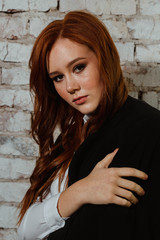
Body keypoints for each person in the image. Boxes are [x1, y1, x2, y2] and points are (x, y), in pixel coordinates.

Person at [17, 11, 160, 240]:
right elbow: (26, 228)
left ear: (105, 58)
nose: (71, 86)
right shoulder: (68, 138)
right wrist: (79, 192)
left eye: (78, 67)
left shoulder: (144, 131)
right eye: (58, 77)